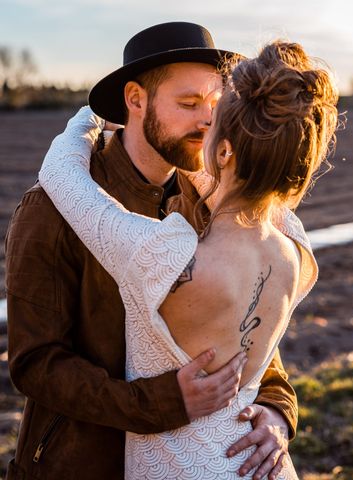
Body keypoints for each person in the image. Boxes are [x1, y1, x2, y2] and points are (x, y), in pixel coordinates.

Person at [4, 22, 311, 479]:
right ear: (135, 100)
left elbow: (244, 329)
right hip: (82, 465)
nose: (207, 120)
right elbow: (35, 362)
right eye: (188, 104)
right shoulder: (52, 208)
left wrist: (276, 410)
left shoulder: (213, 203)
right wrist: (163, 403)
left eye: (214, 104)